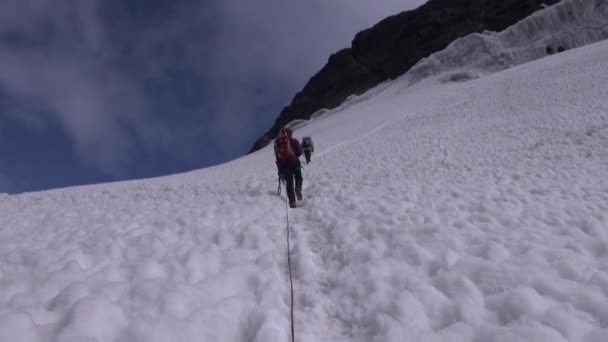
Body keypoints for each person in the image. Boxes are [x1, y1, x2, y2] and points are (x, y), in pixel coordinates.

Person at [274, 128, 303, 208]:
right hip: (295, 162)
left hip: (284, 166)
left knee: (289, 183)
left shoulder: (277, 144)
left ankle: (292, 202)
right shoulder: (294, 141)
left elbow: (278, 159)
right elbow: (300, 152)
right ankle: (298, 188)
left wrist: (280, 172)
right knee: (298, 177)